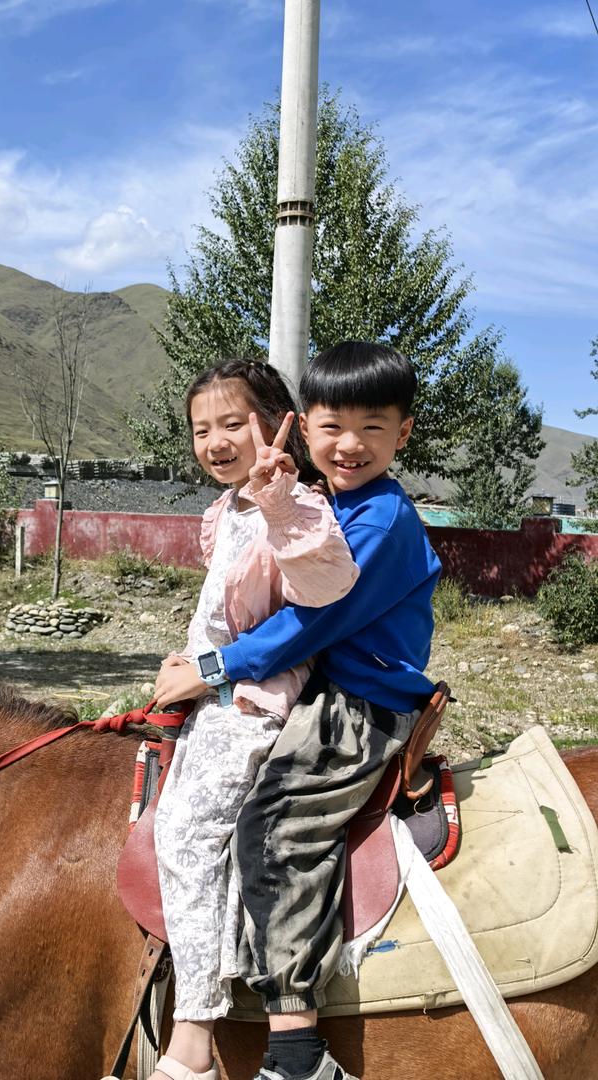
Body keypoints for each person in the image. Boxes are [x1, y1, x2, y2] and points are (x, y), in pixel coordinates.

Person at [154, 342, 442, 1080]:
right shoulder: (320, 501)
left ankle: (298, 1053)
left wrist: (213, 671)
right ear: (305, 428)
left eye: (372, 429)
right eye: (332, 427)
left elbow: (314, 622)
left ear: (403, 434)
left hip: (359, 701)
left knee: (276, 825)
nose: (350, 445)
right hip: (318, 687)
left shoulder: (378, 520)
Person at [146, 358, 359, 1080]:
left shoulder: (291, 502)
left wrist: (279, 502)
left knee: (188, 828)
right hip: (210, 692)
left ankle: (195, 1029)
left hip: (252, 700)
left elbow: (326, 582)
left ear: (278, 424)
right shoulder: (228, 510)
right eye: (201, 429)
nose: (214, 441)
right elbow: (215, 615)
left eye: (232, 423)